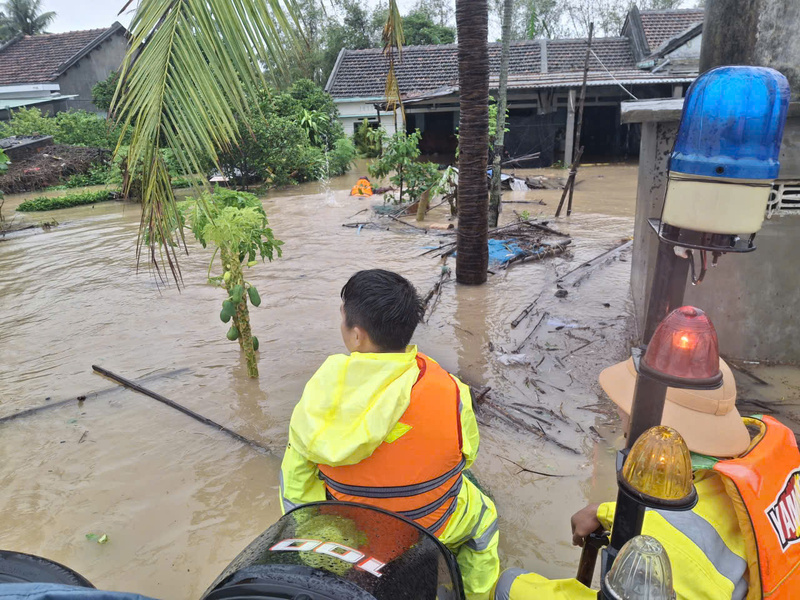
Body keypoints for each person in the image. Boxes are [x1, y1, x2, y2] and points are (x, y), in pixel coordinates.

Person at [493, 356, 800, 600]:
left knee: (510, 584)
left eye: (626, 407)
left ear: (658, 428)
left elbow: (668, 532)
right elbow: (694, 520)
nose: (619, 411)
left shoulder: (656, 540)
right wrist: (606, 512)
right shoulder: (755, 472)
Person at [280, 269, 500, 600]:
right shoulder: (451, 388)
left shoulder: (319, 394)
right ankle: (476, 595)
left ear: (357, 336)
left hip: (352, 537)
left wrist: (317, 536)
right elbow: (467, 455)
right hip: (434, 525)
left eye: (342, 318)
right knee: (484, 520)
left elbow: (296, 483)